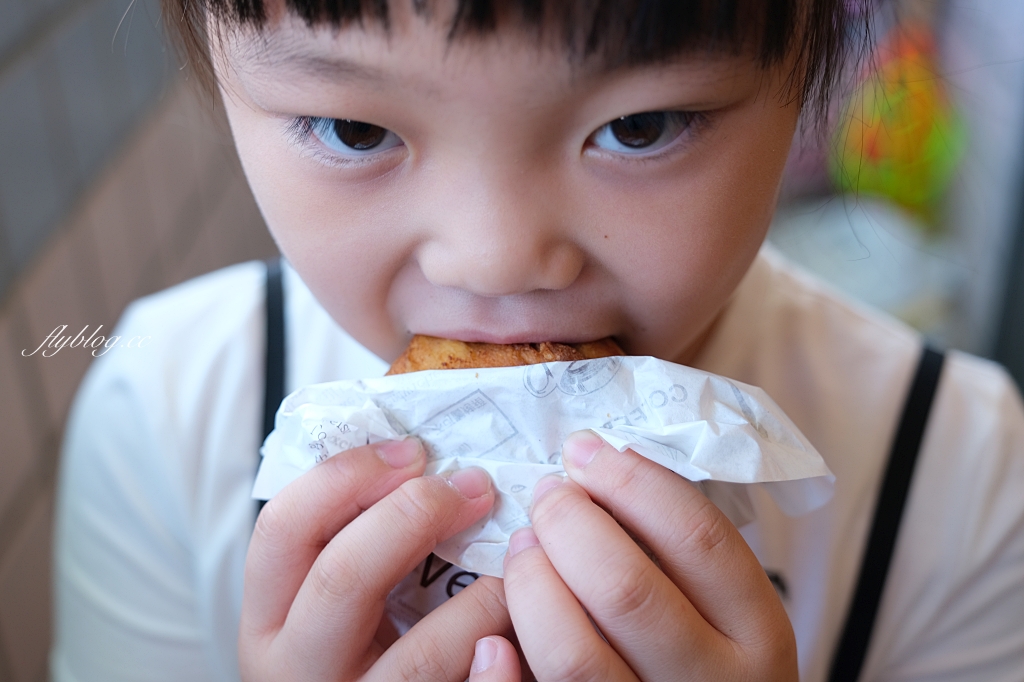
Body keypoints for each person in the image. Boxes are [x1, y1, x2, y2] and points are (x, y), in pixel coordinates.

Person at [51, 1, 1024, 680]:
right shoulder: (167, 415)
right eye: (354, 130)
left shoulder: (961, 469)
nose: (494, 260)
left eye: (640, 126)